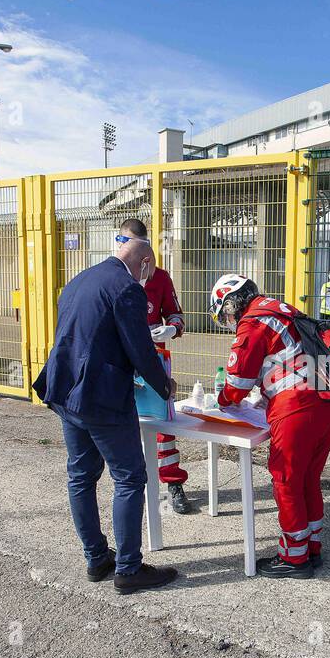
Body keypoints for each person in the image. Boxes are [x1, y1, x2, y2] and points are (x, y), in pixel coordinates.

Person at [32, 232, 178, 594]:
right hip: (100, 397)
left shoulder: (82, 278)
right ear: (144, 262)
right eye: (149, 271)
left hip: (65, 390)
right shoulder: (127, 289)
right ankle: (128, 569)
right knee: (129, 478)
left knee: (81, 475)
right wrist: (164, 386)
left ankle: (96, 558)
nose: (147, 278)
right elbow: (140, 348)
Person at [211, 272, 330, 579]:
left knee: (286, 480)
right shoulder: (280, 309)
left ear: (230, 304)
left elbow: (237, 382)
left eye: (224, 316)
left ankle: (294, 558)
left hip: (298, 407)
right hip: (328, 401)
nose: (228, 322)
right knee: (308, 477)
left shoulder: (253, 322)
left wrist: (224, 400)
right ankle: (312, 547)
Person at [122, 218, 195, 515]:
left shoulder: (161, 278)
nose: (125, 250)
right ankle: (133, 486)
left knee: (162, 425)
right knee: (126, 425)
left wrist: (170, 330)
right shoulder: (115, 277)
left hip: (154, 362)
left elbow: (177, 316)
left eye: (130, 244)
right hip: (123, 361)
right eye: (121, 242)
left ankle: (173, 483)